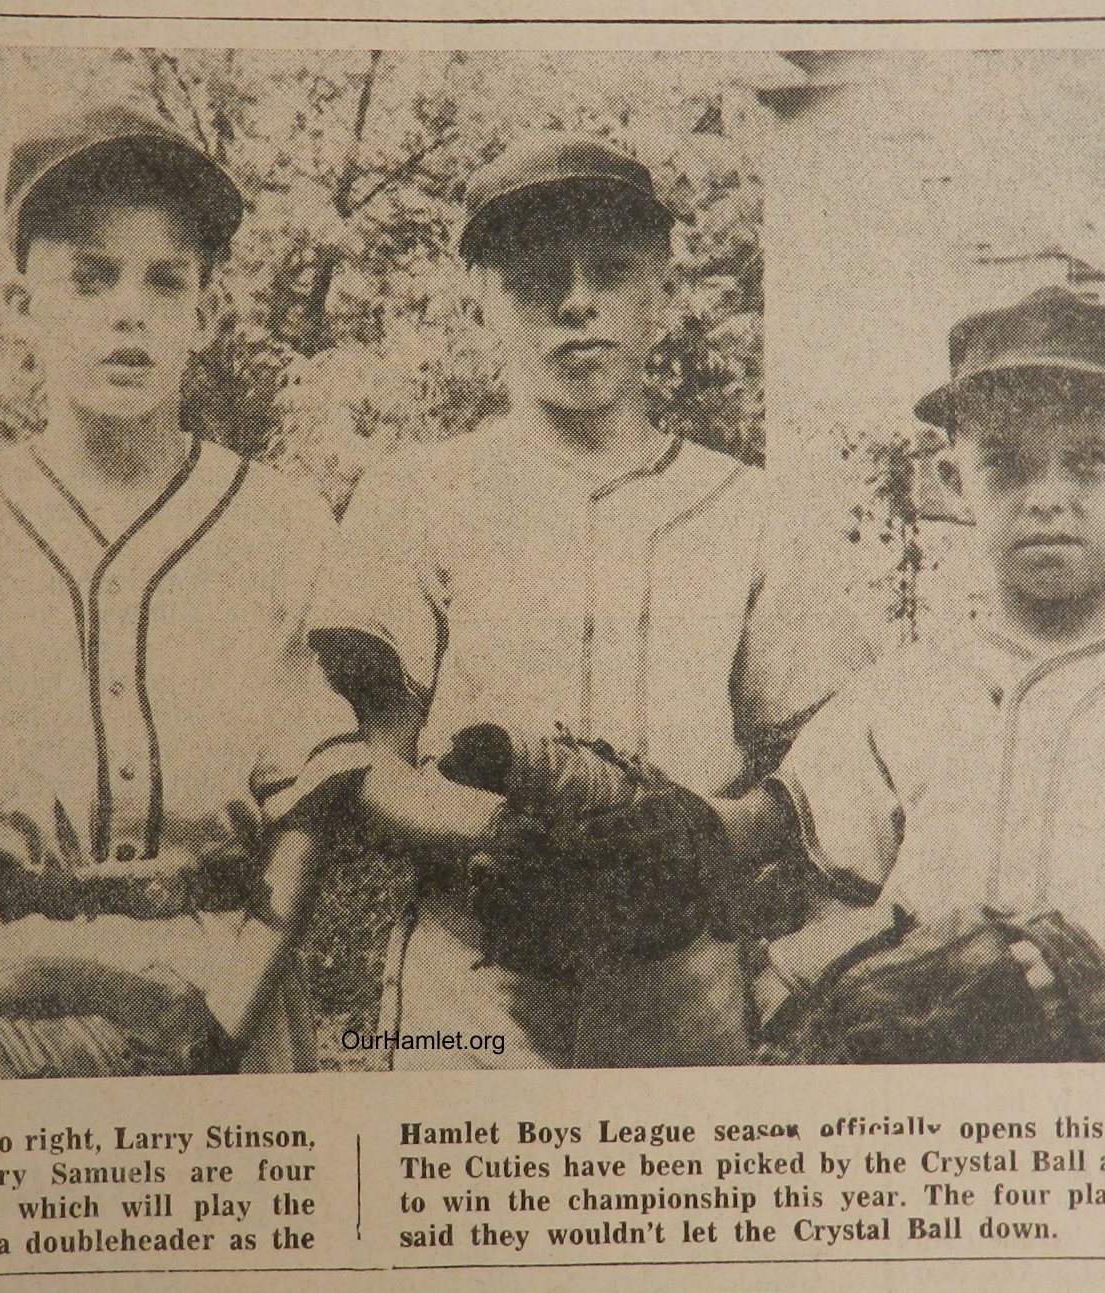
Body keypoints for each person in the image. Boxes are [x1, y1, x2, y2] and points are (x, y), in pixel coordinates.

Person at [0, 106, 353, 1079]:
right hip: (6, 995)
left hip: (225, 979)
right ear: (22, 308)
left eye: (163, 280)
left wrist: (229, 1009)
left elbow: (308, 813)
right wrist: (10, 973)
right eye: (90, 279)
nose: (128, 310)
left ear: (205, 314)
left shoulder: (282, 520)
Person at [300, 134, 870, 1069]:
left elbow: (821, 764)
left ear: (661, 291)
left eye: (610, 270)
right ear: (477, 294)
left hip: (682, 971)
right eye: (535, 278)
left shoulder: (749, 507)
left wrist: (708, 829)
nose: (577, 301)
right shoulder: (416, 492)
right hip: (477, 973)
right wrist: (490, 830)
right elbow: (369, 763)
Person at [716, 287, 1105, 1060]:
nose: (1046, 498)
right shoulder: (893, 695)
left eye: (1088, 463)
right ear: (954, 484)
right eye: (1007, 464)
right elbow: (822, 911)